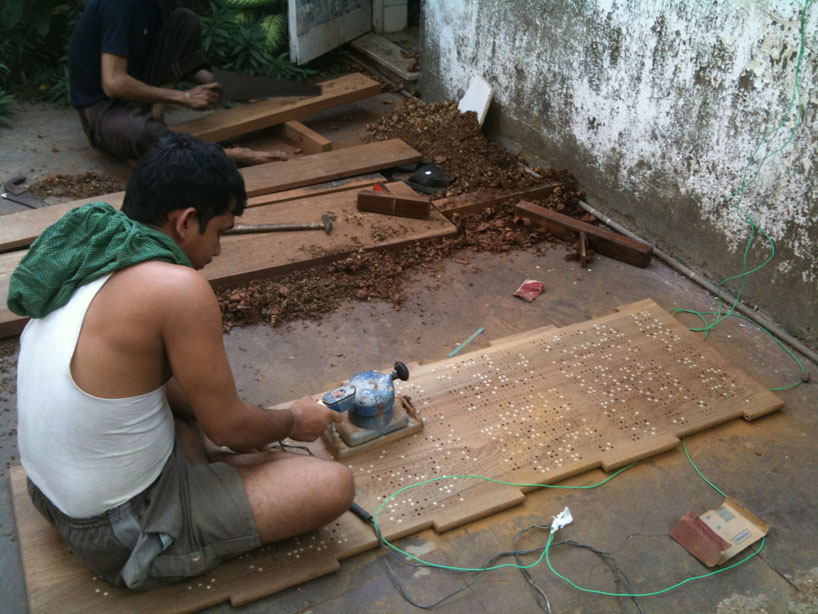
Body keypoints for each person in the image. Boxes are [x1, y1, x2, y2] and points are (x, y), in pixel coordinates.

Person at [10, 133, 352, 590]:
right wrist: (293, 420)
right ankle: (174, 527)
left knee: (194, 406)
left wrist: (241, 429)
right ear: (187, 222)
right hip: (112, 529)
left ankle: (209, 482)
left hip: (51, 494)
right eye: (220, 231)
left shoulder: (93, 247)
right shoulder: (177, 288)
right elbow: (229, 430)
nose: (218, 250)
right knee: (332, 486)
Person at [68, 0, 286, 165]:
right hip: (103, 111)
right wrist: (184, 97)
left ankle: (155, 121)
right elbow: (114, 83)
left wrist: (232, 88)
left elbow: (175, 63)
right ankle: (225, 154)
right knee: (143, 133)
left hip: (132, 97)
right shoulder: (120, 5)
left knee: (184, 19)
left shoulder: (149, 6)